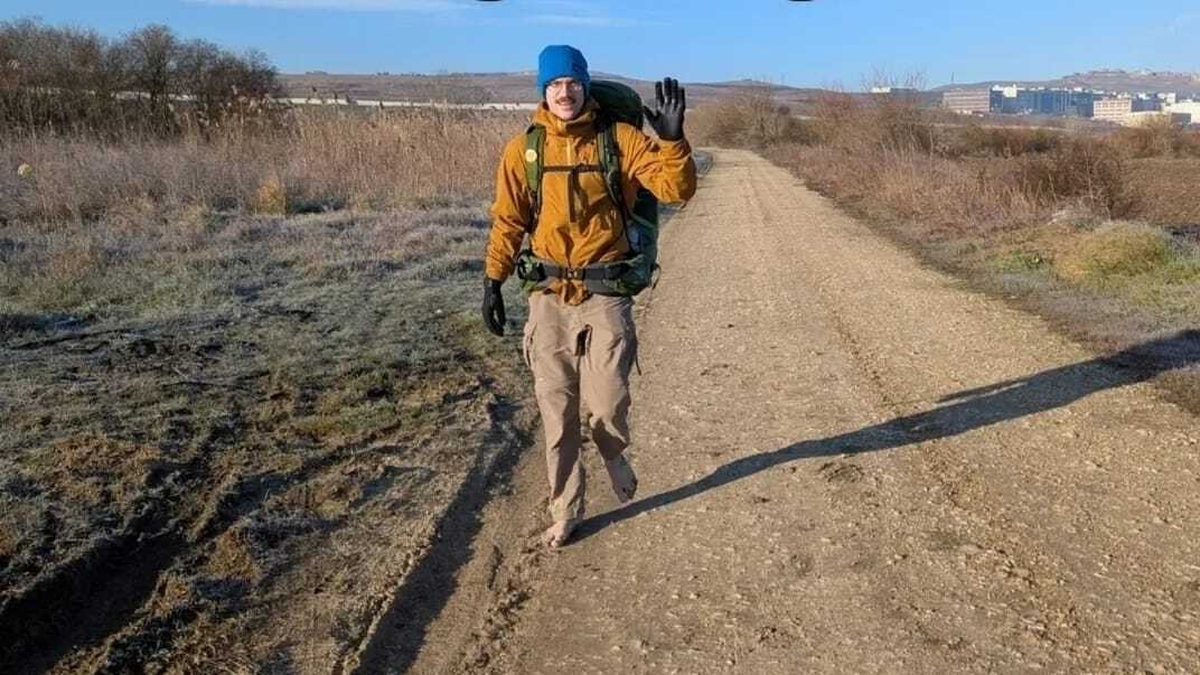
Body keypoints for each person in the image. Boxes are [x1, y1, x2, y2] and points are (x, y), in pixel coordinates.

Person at [481, 45, 696, 547]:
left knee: (607, 404)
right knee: (556, 415)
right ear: (543, 90)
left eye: (572, 82)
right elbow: (508, 220)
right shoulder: (523, 151)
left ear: (585, 86)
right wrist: (492, 280)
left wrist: (672, 140)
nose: (564, 91)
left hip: (605, 292)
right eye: (554, 84)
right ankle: (566, 510)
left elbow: (675, 190)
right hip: (549, 295)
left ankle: (612, 450)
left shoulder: (618, 140)